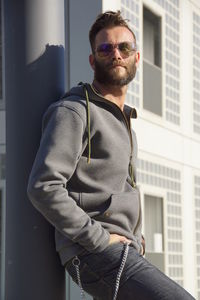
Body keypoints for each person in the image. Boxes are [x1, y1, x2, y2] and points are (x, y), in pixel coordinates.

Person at [27, 11, 195, 300]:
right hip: (92, 253)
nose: (116, 54)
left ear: (136, 58)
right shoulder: (73, 112)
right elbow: (43, 187)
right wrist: (98, 237)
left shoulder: (126, 122)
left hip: (122, 251)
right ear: (93, 60)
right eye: (105, 48)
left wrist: (136, 239)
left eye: (124, 48)